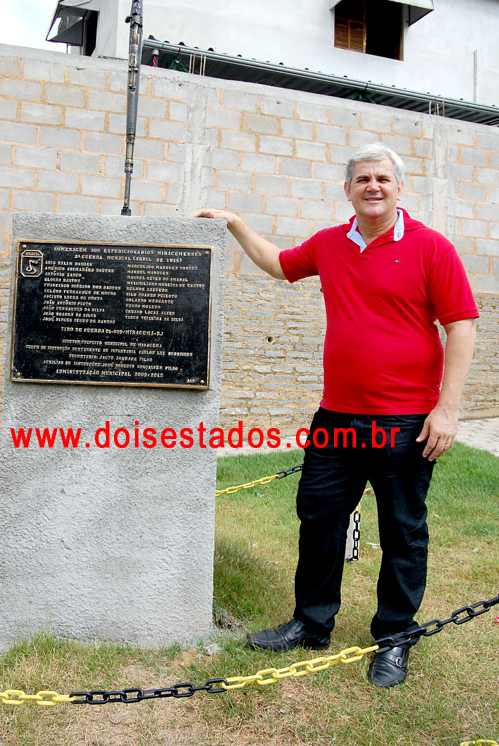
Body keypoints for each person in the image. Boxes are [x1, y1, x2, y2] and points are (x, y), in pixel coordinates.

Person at [192, 143, 478, 688]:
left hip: (406, 420)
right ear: (348, 190)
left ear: (399, 188)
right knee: (319, 519)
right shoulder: (330, 244)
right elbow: (279, 264)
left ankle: (394, 635)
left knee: (403, 530)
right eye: (363, 179)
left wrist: (447, 409)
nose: (374, 186)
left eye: (383, 178)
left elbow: (461, 325)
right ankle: (312, 622)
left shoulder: (431, 248)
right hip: (337, 419)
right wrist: (235, 224)